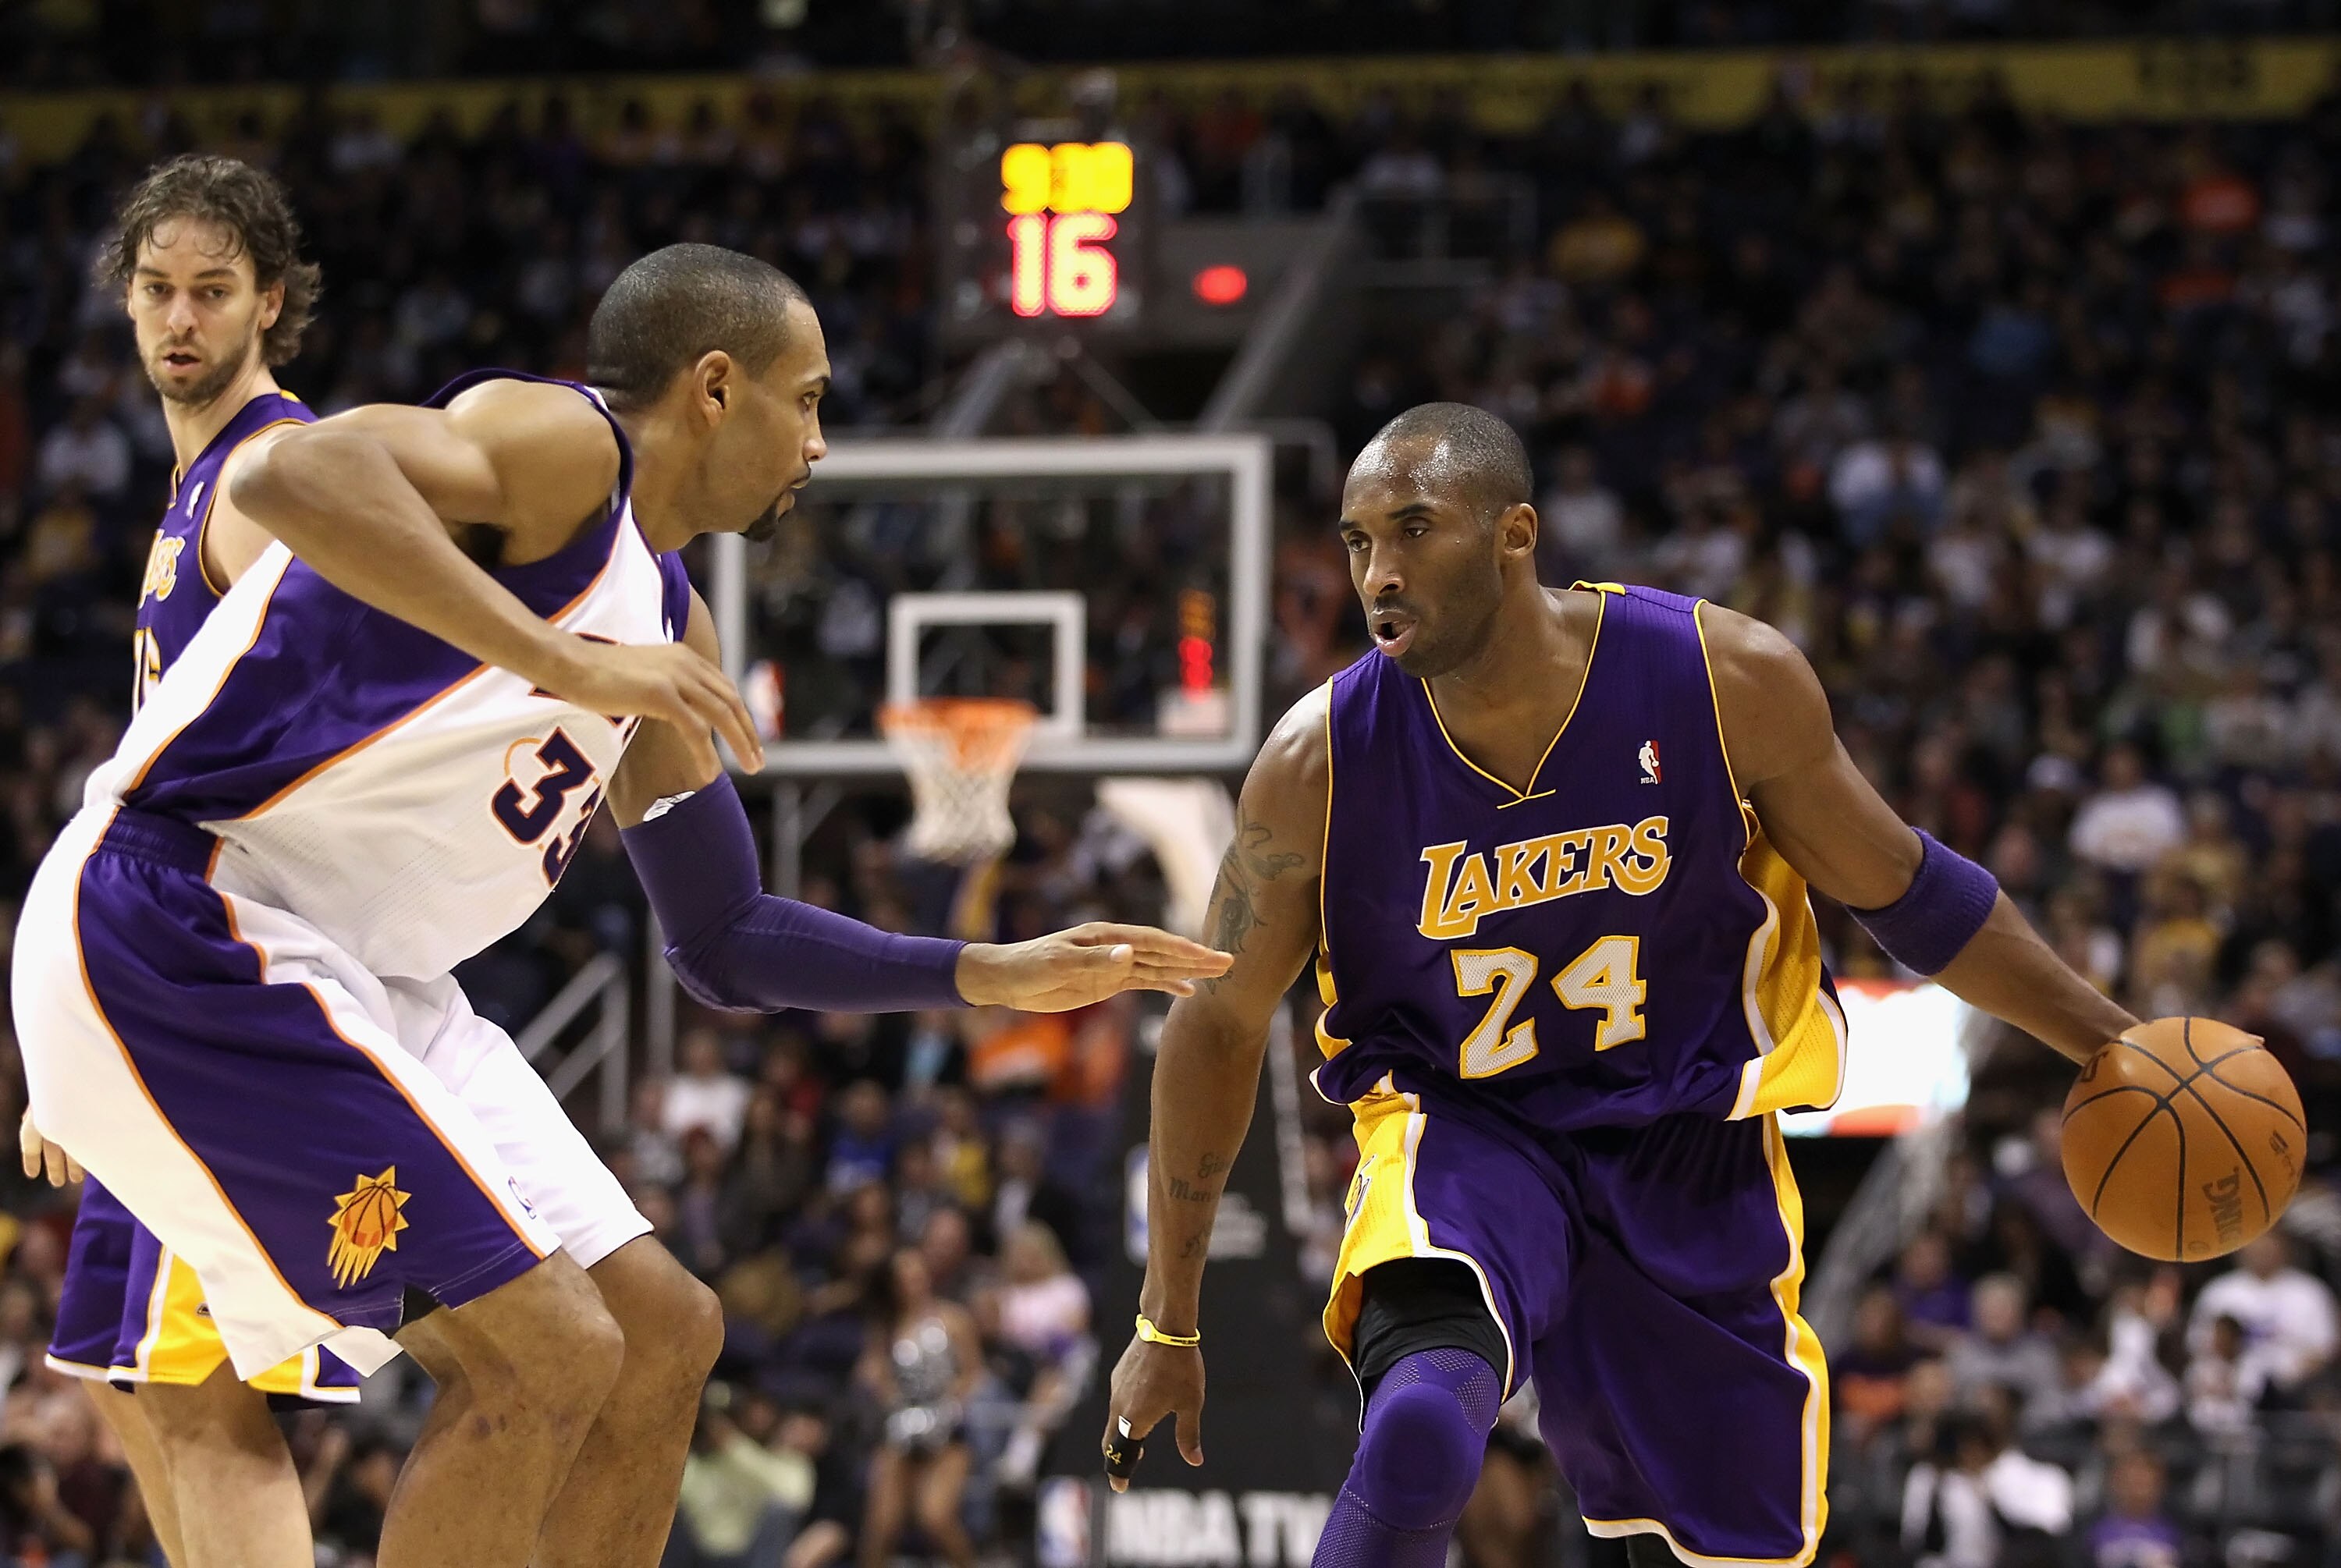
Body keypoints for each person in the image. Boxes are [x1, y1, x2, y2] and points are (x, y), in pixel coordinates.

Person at [13, 236, 1227, 1566]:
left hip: (365, 972)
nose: (820, 443)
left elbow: (723, 938)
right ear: (715, 386)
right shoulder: (560, 448)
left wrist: (981, 970)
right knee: (544, 1354)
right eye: (807, 398)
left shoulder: (674, 626)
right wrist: (554, 660)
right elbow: (286, 469)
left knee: (662, 1334)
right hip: (185, 908)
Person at [1099, 403, 2141, 1566]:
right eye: (1356, 542)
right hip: (1469, 1130)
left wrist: (2109, 1037)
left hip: (1690, 1136)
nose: (1379, 573)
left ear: (1516, 534)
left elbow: (1904, 888)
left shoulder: (1720, 679)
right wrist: (1167, 1317)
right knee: (1417, 1427)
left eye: (1412, 529)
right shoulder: (1315, 762)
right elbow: (1218, 1021)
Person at [24, 151, 355, 1568]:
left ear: (270, 304)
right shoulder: (195, 487)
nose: (180, 319)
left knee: (191, 1387)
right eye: (158, 290)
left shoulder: (276, 470)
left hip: (215, 972)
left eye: (213, 293)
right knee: (128, 1373)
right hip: (158, 964)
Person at [856, 1249, 982, 1568]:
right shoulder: (886, 1327)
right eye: (904, 1277)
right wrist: (889, 1396)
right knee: (882, 1526)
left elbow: (972, 1372)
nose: (914, 1282)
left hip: (948, 1430)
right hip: (901, 1426)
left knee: (935, 1517)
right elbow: (876, 1374)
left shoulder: (953, 1319)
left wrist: (948, 1403)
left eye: (917, 1273)